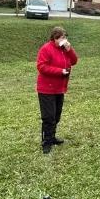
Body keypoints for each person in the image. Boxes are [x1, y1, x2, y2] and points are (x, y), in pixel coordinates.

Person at [36, 26, 78, 154]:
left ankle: (52, 137)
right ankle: (46, 142)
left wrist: (70, 50)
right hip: (46, 88)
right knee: (48, 117)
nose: (62, 40)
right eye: (59, 38)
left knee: (56, 115)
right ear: (53, 38)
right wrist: (60, 71)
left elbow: (74, 61)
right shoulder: (46, 49)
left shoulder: (65, 49)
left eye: (64, 37)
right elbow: (41, 66)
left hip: (60, 88)